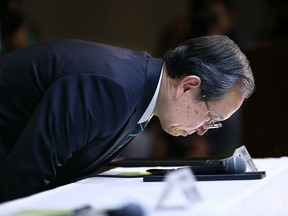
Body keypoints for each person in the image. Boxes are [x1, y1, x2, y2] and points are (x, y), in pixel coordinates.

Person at [0, 35, 255, 202]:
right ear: (188, 86)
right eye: (210, 117)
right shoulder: (114, 88)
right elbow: (26, 172)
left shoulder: (139, 86)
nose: (203, 130)